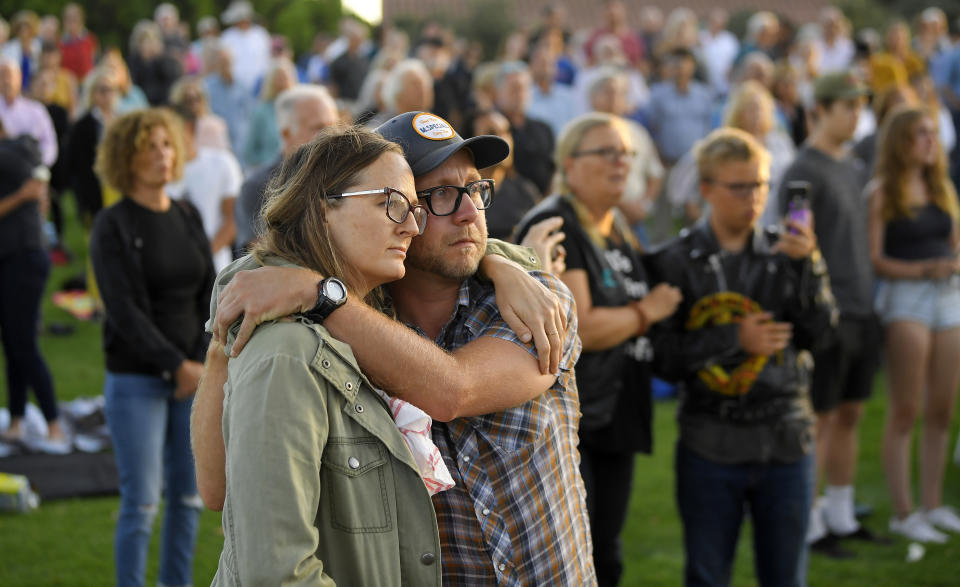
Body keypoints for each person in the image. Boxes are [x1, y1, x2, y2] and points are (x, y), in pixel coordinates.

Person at [196, 111, 597, 584]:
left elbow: (454, 391)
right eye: (441, 195)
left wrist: (321, 293)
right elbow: (224, 492)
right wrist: (229, 333)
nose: (470, 212)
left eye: (476, 189)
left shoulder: (534, 303)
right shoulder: (348, 329)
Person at [208, 125, 444, 584]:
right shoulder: (287, 355)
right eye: (391, 203)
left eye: (414, 209)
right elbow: (280, 574)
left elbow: (463, 252)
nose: (413, 226)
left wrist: (510, 267)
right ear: (322, 207)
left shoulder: (362, 317)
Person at [647, 127, 837, 586]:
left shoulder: (788, 251)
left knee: (786, 576)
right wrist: (735, 338)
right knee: (708, 576)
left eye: (760, 185)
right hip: (711, 441)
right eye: (740, 186)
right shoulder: (674, 261)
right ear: (708, 189)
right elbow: (663, 359)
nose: (753, 197)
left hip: (786, 438)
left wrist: (809, 266)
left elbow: (821, 336)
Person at [515, 112, 682, 586]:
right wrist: (647, 311)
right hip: (576, 418)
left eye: (626, 152)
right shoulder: (555, 222)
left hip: (616, 411)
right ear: (570, 162)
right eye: (606, 152)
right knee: (577, 555)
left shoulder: (616, 226)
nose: (621, 162)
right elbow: (579, 326)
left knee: (606, 549)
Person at [90, 108, 214, 587]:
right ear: (126, 157)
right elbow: (122, 311)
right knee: (141, 505)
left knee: (187, 501)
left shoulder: (187, 214)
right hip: (138, 379)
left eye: (166, 144)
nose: (161, 155)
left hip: (191, 377)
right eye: (148, 147)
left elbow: (210, 292)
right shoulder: (112, 224)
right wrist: (175, 366)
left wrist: (199, 361)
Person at [778, 70, 882, 557]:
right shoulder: (803, 169)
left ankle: (841, 513)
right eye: (847, 106)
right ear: (820, 110)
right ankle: (811, 522)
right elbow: (795, 243)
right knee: (820, 417)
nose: (855, 114)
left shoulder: (852, 165)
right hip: (829, 311)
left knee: (851, 413)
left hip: (863, 305)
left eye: (859, 105)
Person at [868, 106, 960, 542]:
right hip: (908, 297)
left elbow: (955, 242)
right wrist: (925, 270)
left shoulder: (943, 187)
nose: (930, 141)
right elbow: (876, 259)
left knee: (942, 409)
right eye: (920, 133)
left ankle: (933, 504)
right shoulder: (882, 192)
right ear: (900, 141)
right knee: (906, 409)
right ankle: (904, 513)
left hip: (949, 297)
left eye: (933, 133)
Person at [0, 119, 68, 452]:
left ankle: (53, 424)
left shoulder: (14, 152)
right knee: (13, 342)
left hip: (23, 258)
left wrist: (22, 197)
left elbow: (35, 195)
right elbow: (39, 194)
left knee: (22, 343)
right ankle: (16, 420)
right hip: (19, 255)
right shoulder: (23, 148)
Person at [234, 84, 340, 250]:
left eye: (333, 126)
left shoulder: (348, 177)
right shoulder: (258, 186)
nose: (331, 135)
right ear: (286, 134)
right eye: (318, 127)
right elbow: (263, 256)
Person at [166, 109, 242, 272]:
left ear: (189, 128)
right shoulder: (156, 173)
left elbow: (233, 219)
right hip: (170, 274)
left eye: (170, 129)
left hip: (216, 271)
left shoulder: (222, 162)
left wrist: (202, 257)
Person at [495, 61, 555, 196]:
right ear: (498, 91)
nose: (520, 94)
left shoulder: (543, 128)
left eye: (524, 88)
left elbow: (553, 169)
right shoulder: (490, 129)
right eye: (514, 88)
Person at [0, 57, 57, 168]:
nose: (6, 81)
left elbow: (50, 145)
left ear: (19, 78)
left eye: (9, 76)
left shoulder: (36, 111)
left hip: (30, 173)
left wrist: (37, 165)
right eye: (2, 76)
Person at [242, 58, 296, 169]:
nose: (283, 83)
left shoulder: (299, 109)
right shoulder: (261, 111)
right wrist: (266, 164)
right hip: (270, 176)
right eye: (279, 79)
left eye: (286, 78)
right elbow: (249, 153)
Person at [168, 75, 231, 152]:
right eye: (188, 101)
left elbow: (224, 154)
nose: (194, 105)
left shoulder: (215, 126)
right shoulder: (174, 128)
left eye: (197, 99)